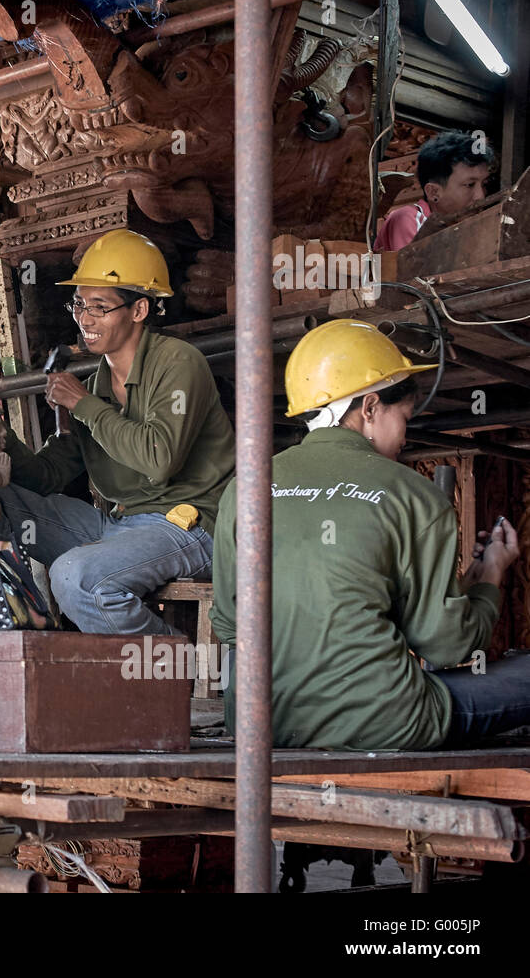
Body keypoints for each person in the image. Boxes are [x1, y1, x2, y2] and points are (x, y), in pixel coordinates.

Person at [210, 319, 524, 750]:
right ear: (371, 407)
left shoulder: (243, 487)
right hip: (381, 722)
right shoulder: (414, 495)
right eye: (405, 418)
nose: (405, 437)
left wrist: (457, 589)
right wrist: (489, 579)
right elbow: (447, 645)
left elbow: (229, 623)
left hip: (259, 724)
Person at [0, 229, 236, 635]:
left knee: (76, 577)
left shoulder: (179, 362)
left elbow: (158, 461)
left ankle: (174, 665)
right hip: (117, 525)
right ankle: (25, 628)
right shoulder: (96, 382)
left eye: (100, 306)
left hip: (189, 527)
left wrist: (85, 406)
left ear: (139, 310)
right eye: (79, 304)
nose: (84, 318)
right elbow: (47, 476)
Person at [374, 130, 493, 251]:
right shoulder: (408, 219)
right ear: (433, 192)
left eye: (484, 184)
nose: (480, 196)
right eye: (469, 184)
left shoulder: (472, 229)